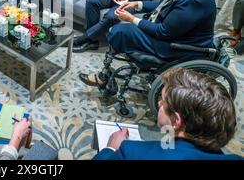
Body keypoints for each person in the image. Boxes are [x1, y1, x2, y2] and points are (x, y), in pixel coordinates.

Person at [79, 0, 216, 88]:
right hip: (168, 33)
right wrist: (137, 4)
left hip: (178, 47)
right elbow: (163, 5)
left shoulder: (195, 0)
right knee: (119, 27)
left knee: (120, 31)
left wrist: (132, 19)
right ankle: (108, 71)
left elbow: (163, 32)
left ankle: (105, 75)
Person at [93, 67, 242, 160]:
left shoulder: (131, 153)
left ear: (176, 121)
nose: (158, 103)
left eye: (163, 101)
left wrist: (111, 148)